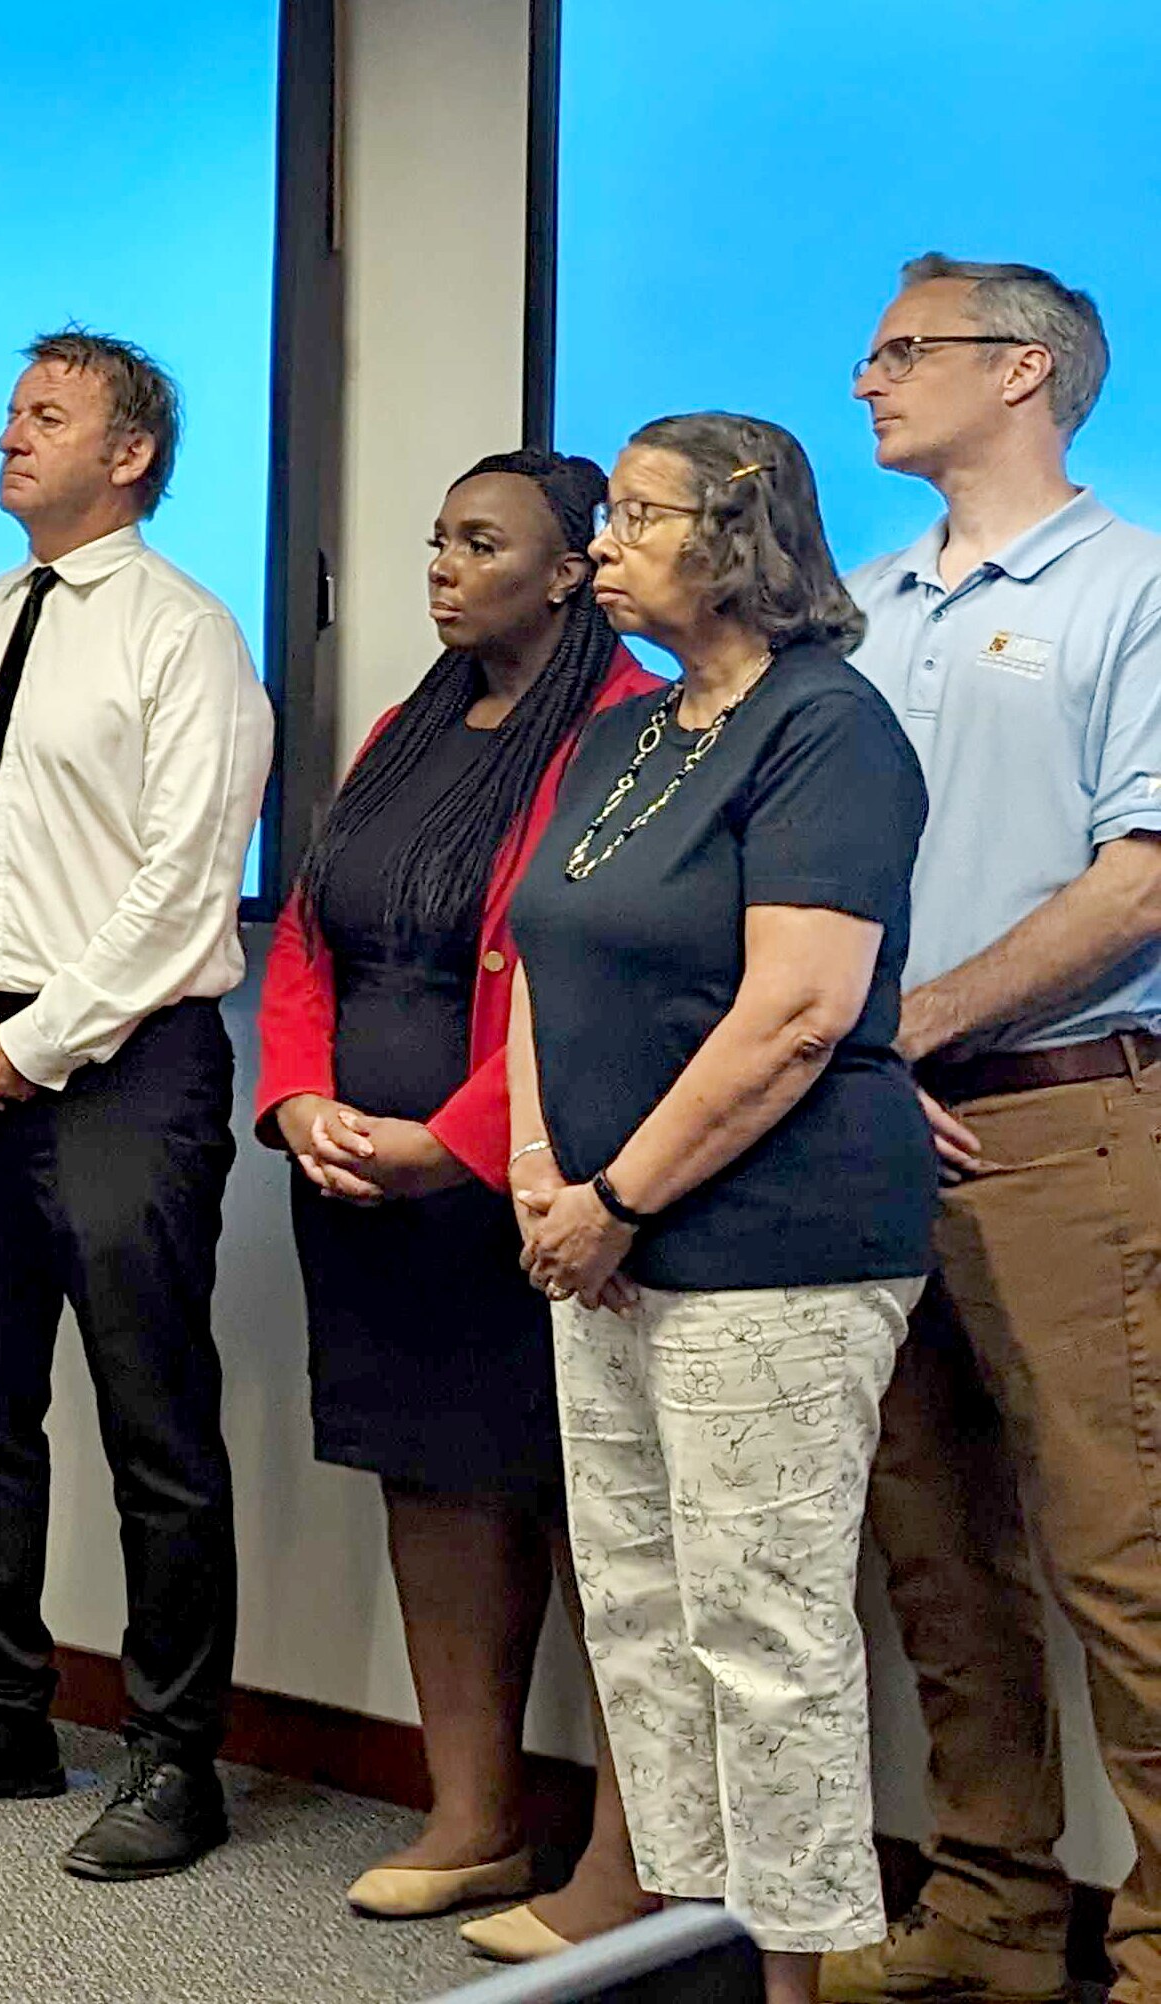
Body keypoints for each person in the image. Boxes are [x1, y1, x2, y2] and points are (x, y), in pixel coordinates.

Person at [504, 413, 932, 2004]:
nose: (600, 542)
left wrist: (619, 1194)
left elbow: (800, 1013)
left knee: (763, 1633)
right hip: (599, 1242)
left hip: (775, 1248)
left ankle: (792, 1985)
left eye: (636, 514)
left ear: (737, 537)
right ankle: (683, 1956)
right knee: (639, 1615)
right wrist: (546, 1176)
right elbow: (542, 953)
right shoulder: (626, 733)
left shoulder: (829, 731)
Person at [0, 330, 269, 1880]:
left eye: (46, 414)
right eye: (10, 411)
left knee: (152, 1419)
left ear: (129, 454)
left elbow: (183, 884)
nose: (9, 434)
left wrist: (37, 1047)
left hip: (123, 1068)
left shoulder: (184, 635)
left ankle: (173, 1755)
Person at [253, 451, 662, 1947]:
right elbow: (310, 939)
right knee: (430, 1487)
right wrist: (299, 1101)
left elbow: (599, 979)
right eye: (436, 538)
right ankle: (473, 1820)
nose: (441, 564)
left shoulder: (636, 728)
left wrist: (457, 1143)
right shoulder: (403, 725)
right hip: (370, 1196)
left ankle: (633, 1857)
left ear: (568, 572)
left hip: (538, 1195)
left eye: (480, 543)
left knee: (589, 1511)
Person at [823, 257, 1161, 2004]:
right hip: (873, 1133)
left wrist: (912, 1024)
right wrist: (860, 1061)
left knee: (1124, 1556)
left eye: (903, 350)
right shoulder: (861, 609)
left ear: (1023, 370)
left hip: (1064, 1120)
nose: (866, 379)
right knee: (936, 1552)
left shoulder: (1135, 586)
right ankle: (991, 1916)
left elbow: (1143, 877)